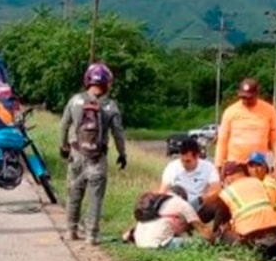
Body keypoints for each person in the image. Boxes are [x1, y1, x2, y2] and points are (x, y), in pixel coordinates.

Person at [59, 61, 128, 245]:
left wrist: (64, 147)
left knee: (74, 193)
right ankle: (91, 235)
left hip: (76, 155)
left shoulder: (75, 100)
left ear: (87, 81)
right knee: (95, 197)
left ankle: (71, 231)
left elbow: (64, 125)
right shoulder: (110, 106)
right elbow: (118, 134)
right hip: (98, 158)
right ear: (107, 83)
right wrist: (122, 155)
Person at [212, 161, 276, 261]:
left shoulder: (227, 193)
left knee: (222, 234)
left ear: (228, 177)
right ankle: (271, 252)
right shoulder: (258, 182)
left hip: (250, 235)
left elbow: (218, 226)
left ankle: (255, 252)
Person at [214, 78, 276, 182]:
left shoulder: (269, 110)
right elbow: (222, 140)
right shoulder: (230, 111)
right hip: (235, 166)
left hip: (257, 166)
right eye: (243, 97)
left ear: (256, 94)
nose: (246, 100)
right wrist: (219, 167)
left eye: (249, 98)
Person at [158, 137, 221, 223]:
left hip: (199, 207)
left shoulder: (208, 167)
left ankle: (217, 233)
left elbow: (216, 190)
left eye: (188, 161)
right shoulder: (172, 167)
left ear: (197, 157)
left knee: (219, 205)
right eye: (182, 160)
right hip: (178, 209)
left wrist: (201, 199)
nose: (184, 164)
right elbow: (163, 190)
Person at [128, 186, 214, 249]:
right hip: (157, 244)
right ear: (183, 197)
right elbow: (203, 230)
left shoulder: (155, 200)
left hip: (139, 241)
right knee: (200, 243)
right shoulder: (182, 204)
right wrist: (215, 240)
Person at [246, 151, 276, 261]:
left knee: (254, 252)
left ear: (267, 168)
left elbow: (262, 216)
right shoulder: (258, 183)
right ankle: (275, 254)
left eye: (259, 165)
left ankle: (274, 255)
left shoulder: (268, 186)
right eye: (251, 166)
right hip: (272, 228)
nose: (254, 169)